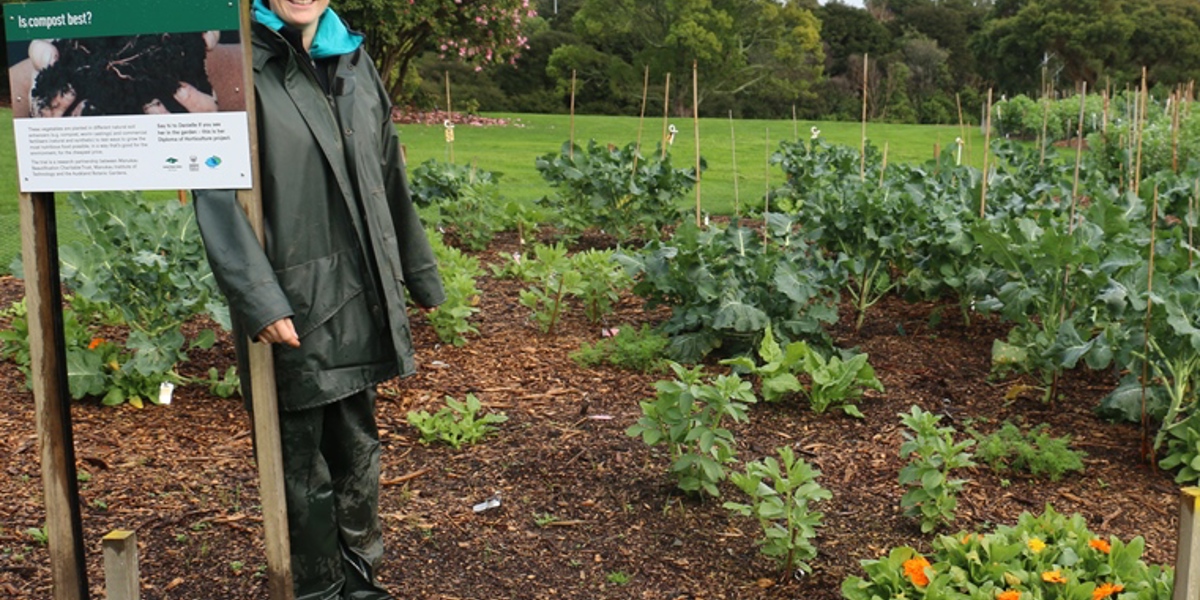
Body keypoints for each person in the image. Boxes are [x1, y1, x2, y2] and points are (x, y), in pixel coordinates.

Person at [192, 0, 444, 598]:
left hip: (361, 291)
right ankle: (316, 590)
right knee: (299, 463)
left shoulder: (351, 57)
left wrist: (417, 272)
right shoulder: (235, 61)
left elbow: (387, 168)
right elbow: (211, 186)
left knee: (357, 447)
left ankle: (359, 583)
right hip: (294, 300)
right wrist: (261, 300)